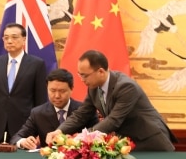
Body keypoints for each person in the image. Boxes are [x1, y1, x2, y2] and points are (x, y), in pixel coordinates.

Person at [46, 50, 177, 151]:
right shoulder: (93, 88)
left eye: (85, 75)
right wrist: (59, 131)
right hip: (129, 142)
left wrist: (83, 138)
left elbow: (114, 120)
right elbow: (81, 115)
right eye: (79, 75)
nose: (81, 79)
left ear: (101, 72)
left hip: (151, 141)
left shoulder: (126, 87)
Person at [0, 23, 48, 146]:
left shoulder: (36, 64)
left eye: (14, 37)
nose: (9, 41)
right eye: (6, 38)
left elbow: (41, 100)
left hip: (24, 126)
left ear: (24, 39)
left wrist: (39, 128)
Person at [10, 68, 97, 149]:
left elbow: (97, 136)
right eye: (52, 90)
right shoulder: (38, 113)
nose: (57, 96)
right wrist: (22, 142)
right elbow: (16, 138)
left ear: (71, 89)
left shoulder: (85, 110)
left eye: (62, 91)